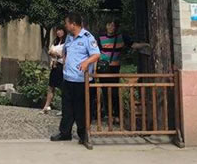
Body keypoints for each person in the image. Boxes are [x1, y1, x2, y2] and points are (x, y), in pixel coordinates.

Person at [51, 12, 100, 144]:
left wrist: (86, 62)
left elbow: (96, 54)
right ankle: (65, 133)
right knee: (67, 108)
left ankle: (83, 135)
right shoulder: (69, 37)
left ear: (73, 24)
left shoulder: (87, 37)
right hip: (68, 79)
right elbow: (65, 51)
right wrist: (65, 61)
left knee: (81, 109)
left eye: (67, 23)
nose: (65, 26)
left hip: (81, 81)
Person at [95, 18, 147, 122]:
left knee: (114, 91)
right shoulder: (100, 38)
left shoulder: (121, 37)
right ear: (106, 26)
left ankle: (116, 114)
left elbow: (133, 45)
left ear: (117, 27)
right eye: (109, 24)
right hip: (103, 68)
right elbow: (95, 52)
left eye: (113, 25)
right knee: (105, 91)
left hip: (114, 68)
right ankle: (108, 114)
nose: (111, 27)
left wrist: (146, 45)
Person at [41, 26, 66, 113]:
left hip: (61, 65)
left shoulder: (66, 42)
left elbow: (64, 54)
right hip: (54, 65)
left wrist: (57, 54)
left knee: (62, 88)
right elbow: (50, 51)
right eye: (57, 30)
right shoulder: (55, 42)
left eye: (60, 30)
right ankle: (46, 106)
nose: (58, 32)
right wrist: (52, 53)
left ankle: (64, 108)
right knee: (51, 86)